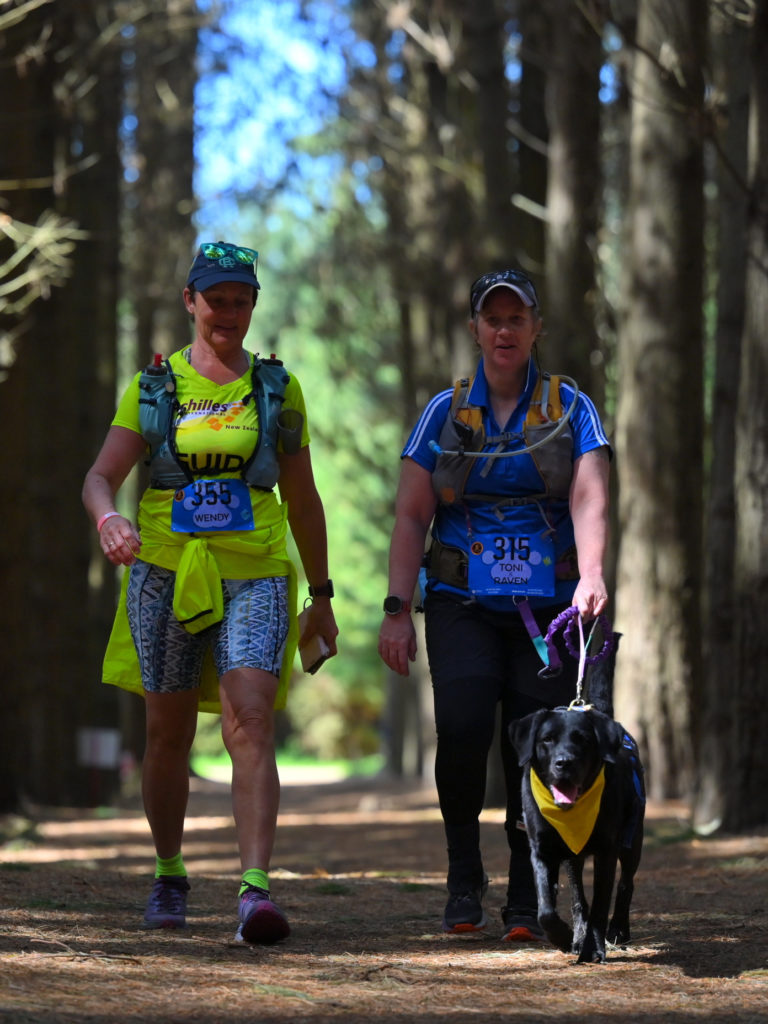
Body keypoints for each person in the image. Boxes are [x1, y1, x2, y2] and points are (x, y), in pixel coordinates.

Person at [83, 240, 338, 943]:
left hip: (255, 570)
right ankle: (169, 871)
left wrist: (321, 593)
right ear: (190, 301)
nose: (228, 312)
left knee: (251, 722)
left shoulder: (277, 389)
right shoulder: (155, 387)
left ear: (253, 307)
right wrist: (109, 520)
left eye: (240, 300)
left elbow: (304, 499)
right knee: (167, 733)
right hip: (164, 571)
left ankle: (255, 890)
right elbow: (99, 477)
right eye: (215, 298)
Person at [377, 268, 611, 941]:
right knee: (464, 724)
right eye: (492, 318)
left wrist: (592, 573)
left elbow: (590, 495)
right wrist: (397, 608)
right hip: (462, 602)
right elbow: (411, 514)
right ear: (475, 328)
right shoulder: (444, 412)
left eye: (517, 318)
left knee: (535, 746)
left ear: (536, 327)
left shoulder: (572, 408)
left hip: (549, 609)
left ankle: (524, 890)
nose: (504, 330)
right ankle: (461, 873)